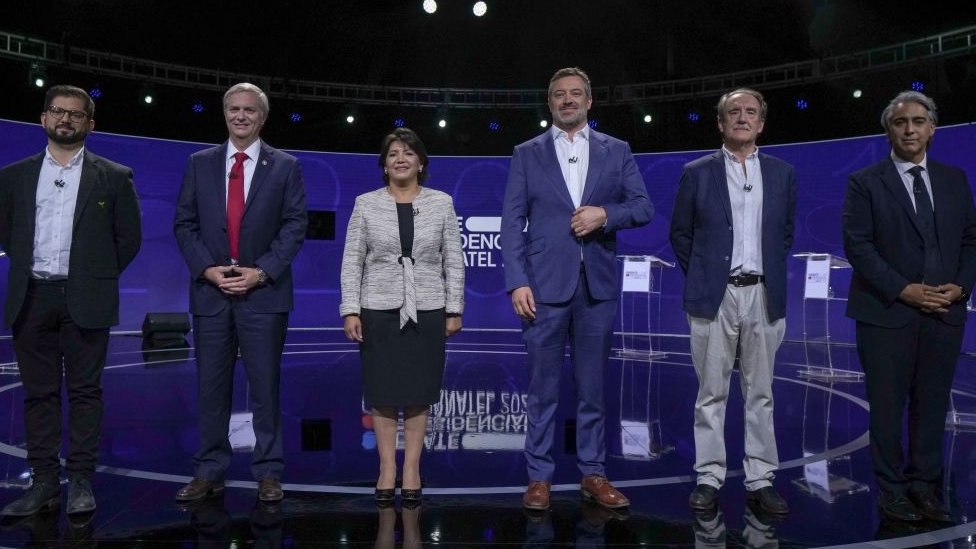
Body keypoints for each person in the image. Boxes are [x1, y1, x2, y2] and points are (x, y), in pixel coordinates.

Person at [501, 67, 653, 511]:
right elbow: (511, 223)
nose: (567, 100)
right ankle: (538, 477)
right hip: (543, 288)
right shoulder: (526, 153)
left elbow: (642, 206)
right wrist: (517, 281)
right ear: (549, 103)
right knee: (542, 390)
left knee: (592, 390)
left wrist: (604, 214)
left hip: (596, 288)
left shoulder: (617, 150)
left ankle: (593, 473)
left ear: (589, 101)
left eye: (575, 94)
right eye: (559, 95)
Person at [0, 85, 142, 517]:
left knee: (85, 393)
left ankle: (80, 480)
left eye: (75, 114)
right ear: (43, 118)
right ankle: (44, 482)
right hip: (32, 296)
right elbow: (6, 233)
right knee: (39, 394)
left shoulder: (114, 176)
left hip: (86, 297)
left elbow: (128, 239)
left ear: (89, 124)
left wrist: (94, 276)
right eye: (57, 111)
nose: (65, 119)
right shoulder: (14, 176)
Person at [842, 90, 976, 523]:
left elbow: (971, 240)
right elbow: (859, 247)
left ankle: (925, 487)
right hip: (886, 313)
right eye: (900, 122)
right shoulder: (864, 182)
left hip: (944, 313)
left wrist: (961, 287)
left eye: (918, 121)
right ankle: (892, 491)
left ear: (932, 129)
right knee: (886, 408)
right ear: (888, 131)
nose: (910, 129)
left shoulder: (954, 179)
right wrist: (903, 289)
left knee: (932, 406)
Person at [173, 82, 308, 503]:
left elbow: (294, 225)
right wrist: (207, 269)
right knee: (211, 388)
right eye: (233, 108)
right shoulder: (200, 163)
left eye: (249, 110)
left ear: (262, 117)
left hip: (263, 295)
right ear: (224, 113)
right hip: (211, 294)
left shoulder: (285, 166)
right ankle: (209, 469)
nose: (240, 116)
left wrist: (261, 272)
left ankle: (268, 472)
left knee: (265, 388)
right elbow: (184, 224)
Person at [669, 87, 796, 515]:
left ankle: (761, 478)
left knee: (761, 392)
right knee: (711, 393)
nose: (742, 117)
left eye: (751, 112)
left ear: (761, 123)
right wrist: (706, 276)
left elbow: (784, 235)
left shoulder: (782, 173)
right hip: (714, 296)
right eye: (734, 112)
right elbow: (680, 234)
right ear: (721, 123)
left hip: (763, 294)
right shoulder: (696, 172)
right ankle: (709, 476)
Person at [340, 127, 464, 506]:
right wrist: (350, 309)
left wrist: (454, 308)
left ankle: (411, 468)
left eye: (408, 153)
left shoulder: (442, 203)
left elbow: (453, 260)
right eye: (393, 153)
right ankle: (386, 468)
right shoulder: (365, 204)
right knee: (382, 393)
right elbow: (352, 261)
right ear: (384, 165)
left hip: (427, 309)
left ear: (421, 163)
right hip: (377, 309)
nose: (400, 159)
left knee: (417, 393)